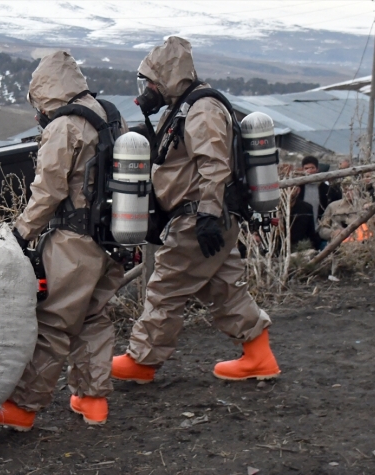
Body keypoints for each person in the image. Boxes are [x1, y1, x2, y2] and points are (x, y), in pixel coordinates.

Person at [111, 36, 280, 384]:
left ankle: (141, 361)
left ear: (168, 79)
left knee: (165, 288)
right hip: (205, 214)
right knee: (224, 287)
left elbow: (214, 166)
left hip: (197, 215)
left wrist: (205, 215)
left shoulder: (202, 109)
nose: (148, 89)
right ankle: (259, 356)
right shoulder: (185, 106)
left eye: (152, 81)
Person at [0, 51, 126, 430]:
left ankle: (21, 407)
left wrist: (20, 234)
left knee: (52, 322)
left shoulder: (64, 126)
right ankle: (92, 400)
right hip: (115, 237)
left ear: (44, 93)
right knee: (94, 317)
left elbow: (48, 191)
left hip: (74, 242)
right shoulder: (109, 115)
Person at [296, 155, 341, 228]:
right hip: (302, 229)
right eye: (306, 168)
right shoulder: (298, 189)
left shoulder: (326, 189)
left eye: (312, 168)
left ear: (317, 169)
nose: (309, 171)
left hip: (322, 228)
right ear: (302, 170)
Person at [289, 186, 320, 251]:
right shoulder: (276, 209)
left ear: (298, 190)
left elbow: (311, 232)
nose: (289, 191)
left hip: (300, 248)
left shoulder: (306, 208)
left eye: (292, 188)